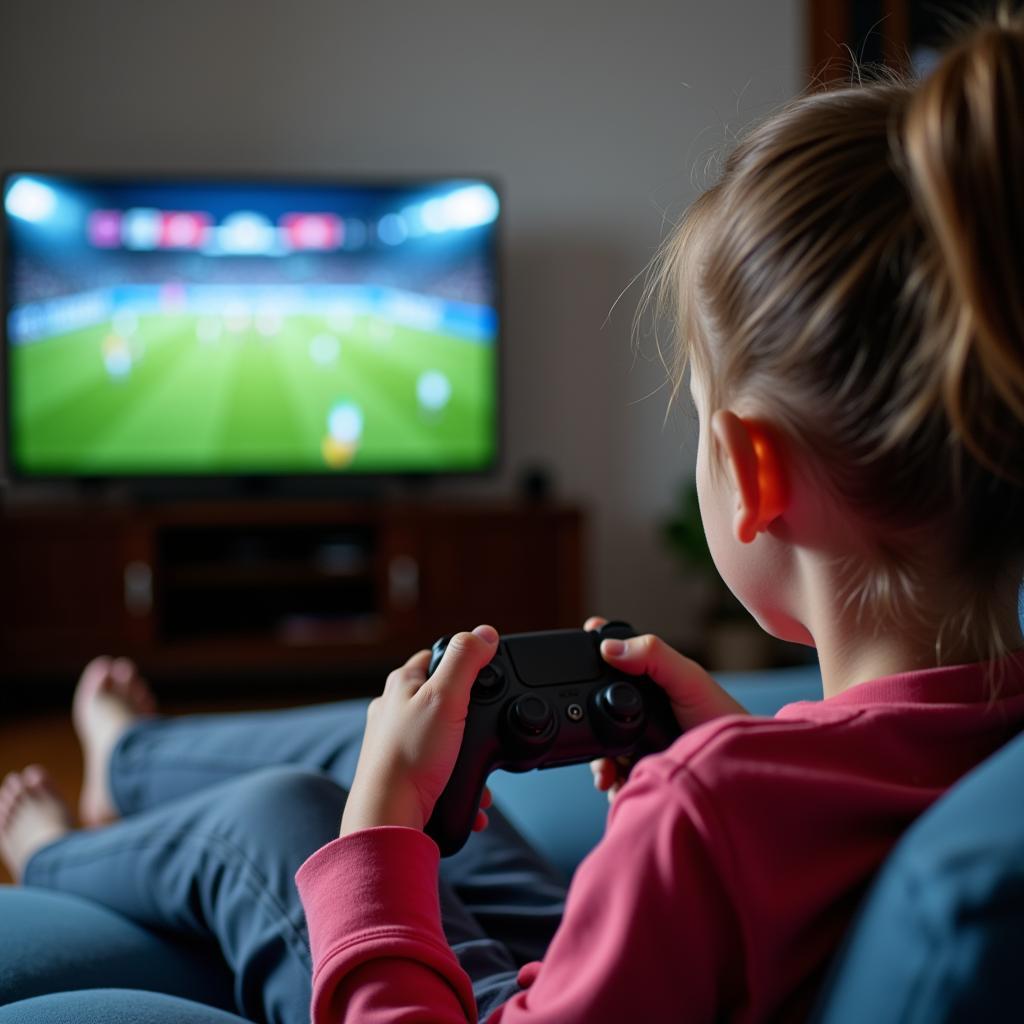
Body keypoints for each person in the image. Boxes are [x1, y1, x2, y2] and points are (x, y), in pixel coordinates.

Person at [4, 12, 1024, 1023]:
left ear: (753, 470)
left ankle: (52, 848)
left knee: (295, 814)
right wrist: (746, 745)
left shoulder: (707, 816)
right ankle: (129, 757)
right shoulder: (950, 745)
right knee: (415, 735)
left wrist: (377, 833)